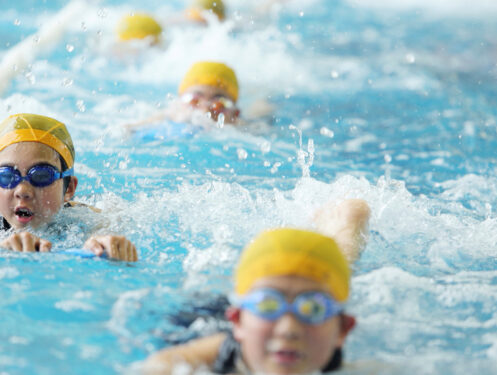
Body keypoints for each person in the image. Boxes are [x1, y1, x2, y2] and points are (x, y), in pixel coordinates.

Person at [142, 200, 370, 374]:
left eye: (313, 309)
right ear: (237, 321)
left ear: (343, 330)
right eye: (270, 306)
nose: (288, 328)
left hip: (257, 312)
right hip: (205, 319)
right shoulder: (223, 351)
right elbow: (162, 363)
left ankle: (344, 230)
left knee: (332, 277)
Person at [0, 113, 138, 261]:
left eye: (41, 176)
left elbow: (107, 226)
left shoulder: (80, 219)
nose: (22, 191)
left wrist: (106, 243)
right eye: (7, 176)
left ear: (69, 188)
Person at [126, 61, 241, 136]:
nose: (205, 110)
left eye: (219, 104)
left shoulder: (242, 131)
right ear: (177, 104)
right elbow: (127, 130)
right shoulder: (168, 116)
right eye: (194, 100)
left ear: (235, 114)